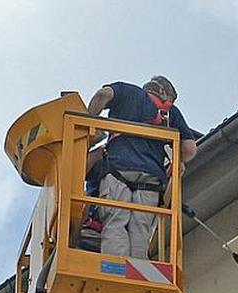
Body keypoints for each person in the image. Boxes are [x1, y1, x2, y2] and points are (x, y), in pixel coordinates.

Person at [85, 76, 198, 258]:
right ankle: (137, 271)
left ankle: (116, 270)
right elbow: (190, 150)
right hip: (151, 179)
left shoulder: (127, 91)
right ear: (163, 92)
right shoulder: (170, 113)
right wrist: (177, 163)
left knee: (115, 221)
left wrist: (87, 131)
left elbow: (101, 95)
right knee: (140, 228)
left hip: (117, 171)